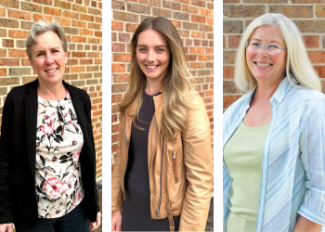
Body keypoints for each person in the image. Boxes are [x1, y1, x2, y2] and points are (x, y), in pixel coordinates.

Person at [223, 13, 325, 232]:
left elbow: (321, 191)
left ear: (291, 54)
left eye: (273, 46)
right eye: (256, 44)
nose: (261, 53)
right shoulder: (233, 112)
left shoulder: (310, 106)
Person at [111, 16, 213, 231]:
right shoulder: (132, 99)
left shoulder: (189, 104)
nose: (150, 58)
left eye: (159, 49)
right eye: (143, 49)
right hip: (130, 215)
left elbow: (200, 182)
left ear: (172, 53)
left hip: (166, 223)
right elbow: (121, 157)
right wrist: (115, 207)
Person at [0, 20, 101, 232]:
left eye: (55, 51)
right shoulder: (17, 100)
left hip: (77, 210)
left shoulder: (81, 99)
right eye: (40, 54)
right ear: (31, 61)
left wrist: (93, 207)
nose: (49, 60)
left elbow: (87, 158)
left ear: (66, 55)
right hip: (34, 217)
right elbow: (4, 159)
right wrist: (4, 214)